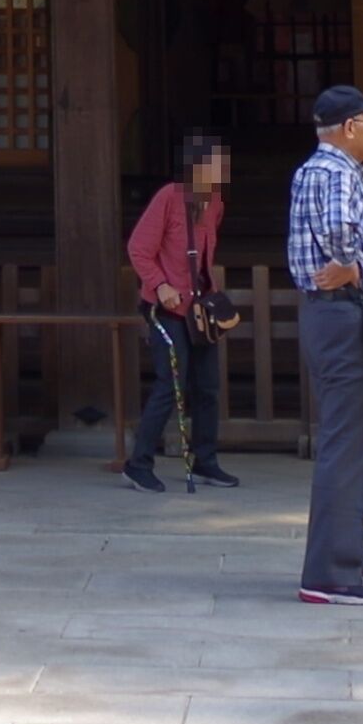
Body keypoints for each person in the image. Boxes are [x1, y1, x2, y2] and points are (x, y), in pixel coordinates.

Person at [287, 84, 363, 604]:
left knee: (348, 439)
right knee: (342, 442)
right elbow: (338, 228)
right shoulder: (336, 171)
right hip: (343, 312)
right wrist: (349, 263)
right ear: (350, 127)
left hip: (331, 316)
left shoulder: (314, 168)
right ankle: (329, 573)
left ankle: (346, 551)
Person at [121, 130, 240, 493]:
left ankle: (206, 460)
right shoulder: (169, 198)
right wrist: (160, 285)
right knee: (170, 386)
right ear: (198, 167)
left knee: (207, 387)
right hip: (167, 306)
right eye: (217, 163)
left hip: (199, 309)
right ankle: (138, 464)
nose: (223, 169)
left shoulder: (215, 202)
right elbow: (138, 248)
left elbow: (205, 255)